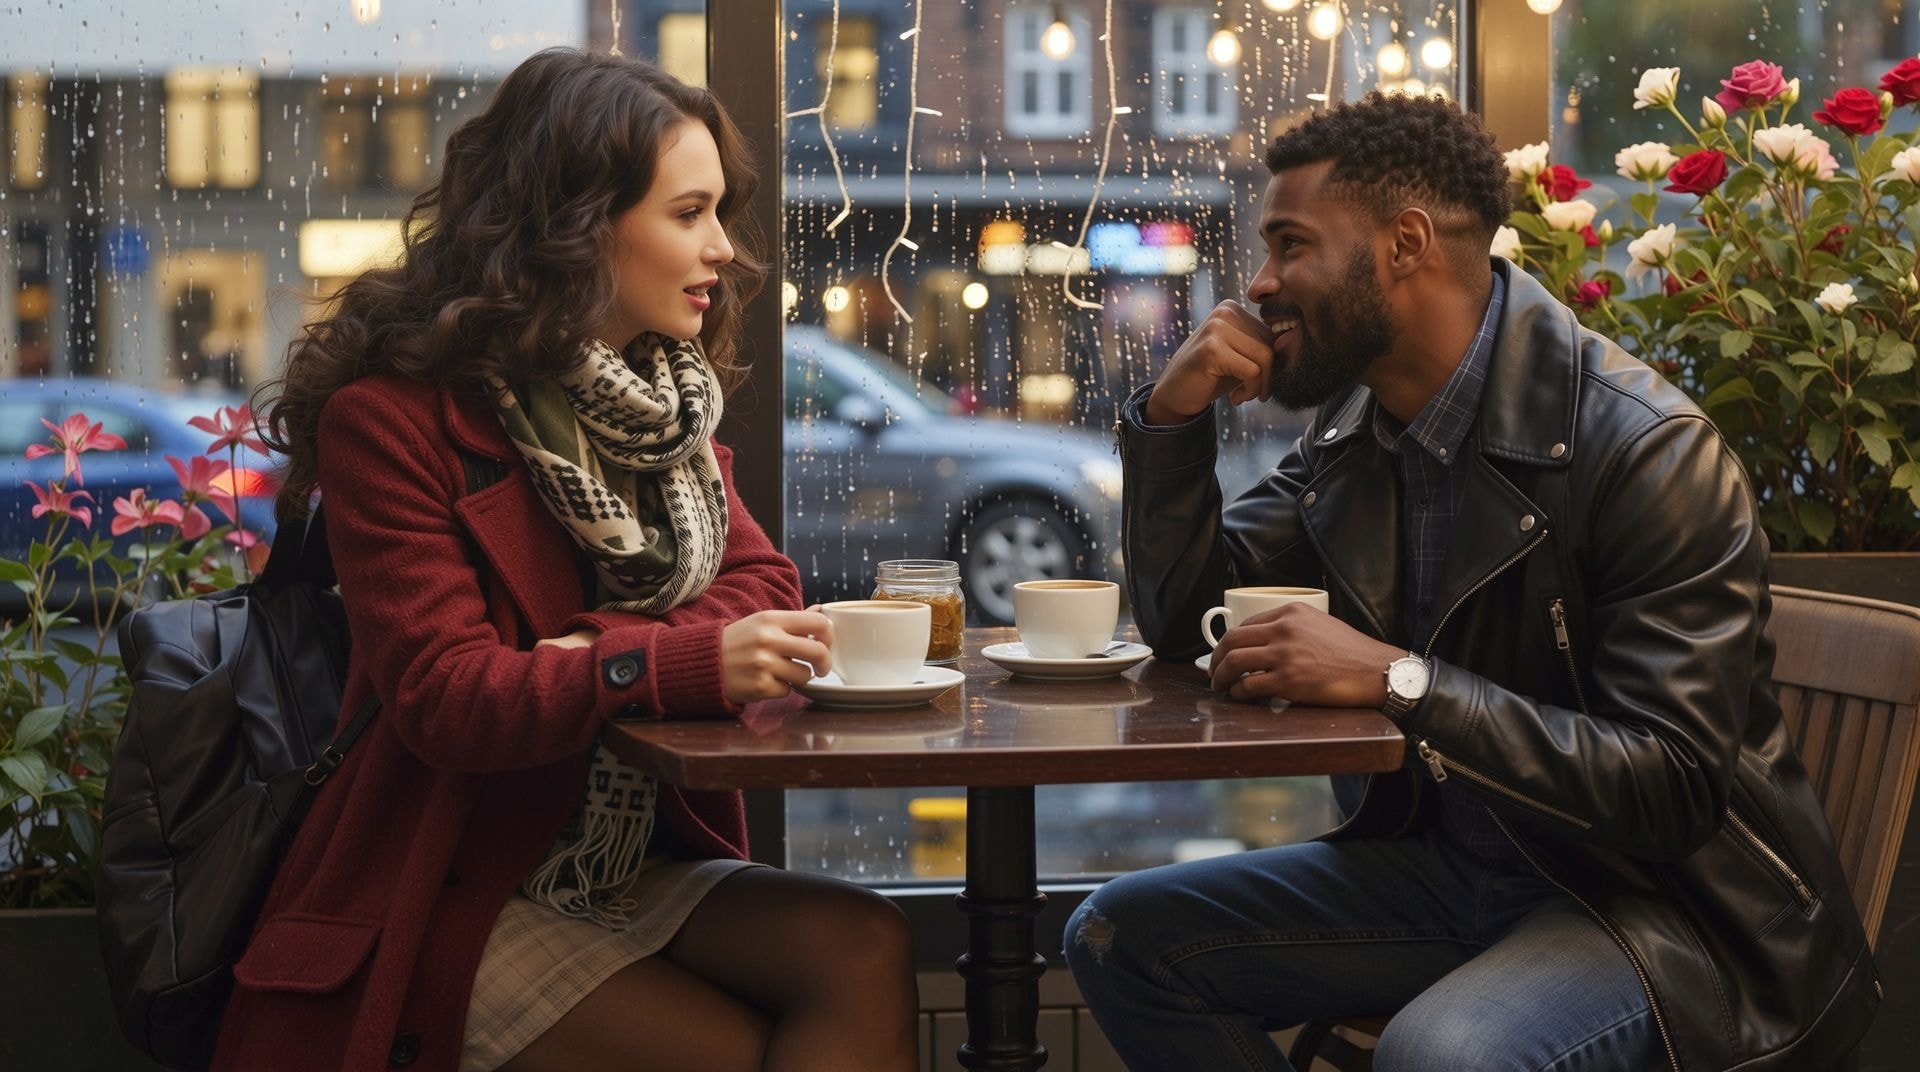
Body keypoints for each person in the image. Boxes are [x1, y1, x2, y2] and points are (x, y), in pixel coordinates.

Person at [1067, 93, 1878, 1071]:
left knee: (1442, 1053)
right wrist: (1169, 422)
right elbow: (1190, 628)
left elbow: (1669, 790)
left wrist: (1399, 681)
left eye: (1290, 245)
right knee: (1120, 936)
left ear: (1405, 243)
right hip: (1449, 874)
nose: (1262, 283)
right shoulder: (1358, 433)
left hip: (1655, 911)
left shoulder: (1648, 451)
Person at [218, 50, 919, 1072]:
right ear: (578, 225)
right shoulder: (393, 422)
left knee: (867, 942)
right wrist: (674, 661)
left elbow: (764, 584)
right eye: (689, 213)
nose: (724, 248)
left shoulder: (658, 408)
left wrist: (594, 647)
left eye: (719, 212)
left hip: (617, 856)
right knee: (739, 1050)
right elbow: (447, 697)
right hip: (445, 877)